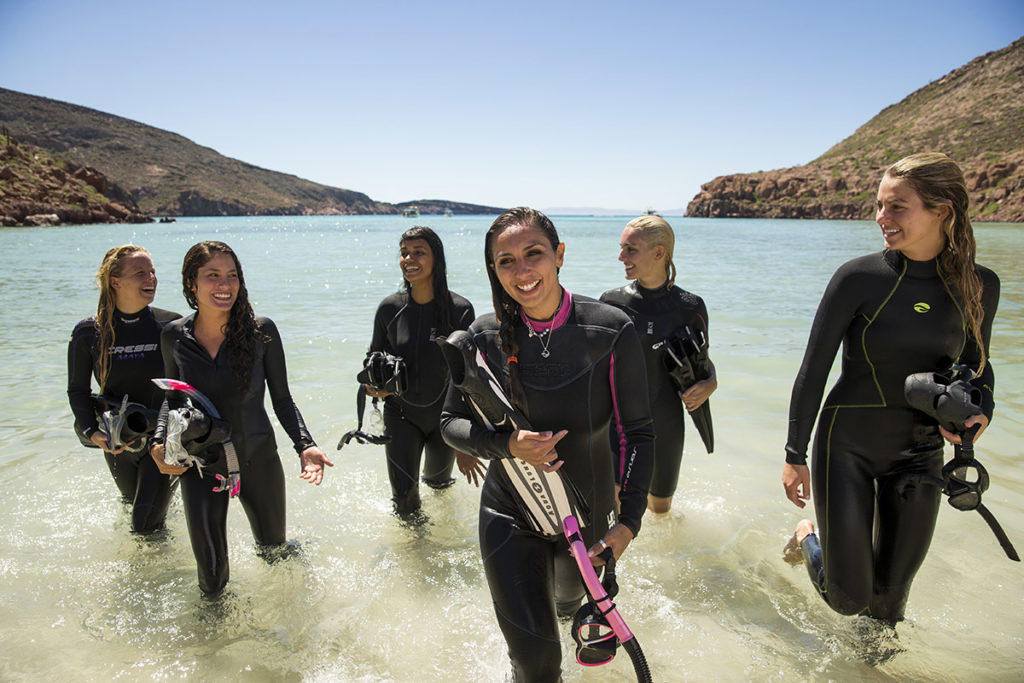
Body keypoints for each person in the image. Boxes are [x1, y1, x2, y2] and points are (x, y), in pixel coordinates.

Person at [782, 153, 1000, 623]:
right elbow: (813, 369)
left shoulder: (979, 284)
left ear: (941, 211)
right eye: (880, 205)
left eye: (897, 207)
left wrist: (980, 414)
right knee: (848, 599)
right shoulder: (859, 278)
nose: (882, 218)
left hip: (921, 452)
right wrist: (794, 454)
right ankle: (807, 537)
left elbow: (978, 367)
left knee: (887, 607)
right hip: (847, 447)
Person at [441, 207, 654, 681]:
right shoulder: (482, 336)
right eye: (505, 261)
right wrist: (507, 445)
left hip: (586, 516)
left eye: (533, 254)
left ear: (558, 255)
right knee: (537, 664)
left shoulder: (609, 329)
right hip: (508, 510)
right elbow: (449, 423)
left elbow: (637, 432)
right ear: (493, 272)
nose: (522, 271)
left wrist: (630, 522)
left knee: (564, 609)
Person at [150, 241, 333, 595]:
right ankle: (215, 646)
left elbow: (282, 398)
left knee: (274, 552)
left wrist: (305, 445)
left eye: (232, 275)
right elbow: (171, 398)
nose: (225, 285)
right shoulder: (174, 336)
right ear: (192, 283)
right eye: (213, 276)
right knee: (213, 579)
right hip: (201, 465)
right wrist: (159, 442)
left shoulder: (261, 331)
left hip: (258, 459)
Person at [601, 215, 717, 514]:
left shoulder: (690, 306)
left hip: (666, 422)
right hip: (619, 424)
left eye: (630, 249)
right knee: (616, 508)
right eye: (621, 248)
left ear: (658, 252)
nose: (621, 256)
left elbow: (701, 361)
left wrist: (710, 383)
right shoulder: (612, 303)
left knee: (661, 510)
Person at [365, 226, 479, 516]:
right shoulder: (390, 308)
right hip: (401, 415)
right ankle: (415, 556)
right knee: (404, 501)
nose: (408, 258)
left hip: (445, 419)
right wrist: (374, 385)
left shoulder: (460, 310)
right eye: (404, 253)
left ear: (436, 259)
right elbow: (372, 358)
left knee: (439, 484)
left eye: (418, 252)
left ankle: (442, 543)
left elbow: (468, 376)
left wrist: (464, 440)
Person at [67, 245, 180, 534]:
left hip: (163, 438)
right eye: (140, 273)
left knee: (144, 525)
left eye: (152, 272)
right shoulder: (89, 333)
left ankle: (161, 577)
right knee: (134, 511)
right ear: (115, 281)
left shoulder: (171, 326)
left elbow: (183, 389)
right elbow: (78, 390)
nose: (151, 278)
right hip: (118, 441)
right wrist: (93, 433)